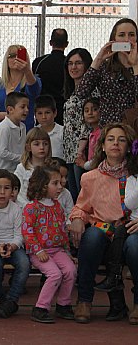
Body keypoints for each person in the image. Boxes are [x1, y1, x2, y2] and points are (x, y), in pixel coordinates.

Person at [69, 123, 138, 323]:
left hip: (130, 230)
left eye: (121, 139)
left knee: (135, 247)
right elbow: (81, 207)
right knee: (91, 238)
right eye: (111, 139)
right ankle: (84, 300)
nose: (115, 143)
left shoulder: (135, 175)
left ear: (129, 146)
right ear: (103, 145)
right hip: (102, 230)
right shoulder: (90, 177)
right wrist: (77, 220)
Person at [22, 165, 76, 323]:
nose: (60, 186)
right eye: (55, 183)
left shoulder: (57, 206)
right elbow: (27, 232)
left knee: (71, 271)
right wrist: (38, 250)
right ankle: (40, 308)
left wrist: (67, 252)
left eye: (60, 183)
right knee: (55, 274)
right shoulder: (31, 208)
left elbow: (62, 231)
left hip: (57, 250)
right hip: (39, 251)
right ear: (42, 185)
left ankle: (63, 304)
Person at [76, 18, 138, 126]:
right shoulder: (104, 67)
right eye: (122, 35)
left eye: (131, 35)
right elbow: (81, 92)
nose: (127, 39)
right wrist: (98, 60)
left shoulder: (136, 67)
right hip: (108, 130)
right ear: (114, 38)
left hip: (133, 129)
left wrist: (135, 65)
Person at [0, 169, 29, 319]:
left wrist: (12, 246)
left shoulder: (17, 210)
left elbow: (20, 234)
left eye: (7, 188)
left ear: (12, 190)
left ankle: (11, 299)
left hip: (13, 246)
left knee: (24, 263)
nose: (2, 192)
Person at [0, 44, 41, 132]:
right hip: (0, 134)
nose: (16, 58)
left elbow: (34, 90)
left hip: (24, 134)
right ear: (6, 60)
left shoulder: (32, 80)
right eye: (12, 56)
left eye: (20, 55)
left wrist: (27, 70)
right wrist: (8, 115)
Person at [61, 48, 95, 201]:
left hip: (82, 153)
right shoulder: (71, 92)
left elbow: (89, 123)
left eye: (78, 63)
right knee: (73, 195)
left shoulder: (92, 92)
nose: (73, 67)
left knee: (83, 196)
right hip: (69, 152)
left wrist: (80, 151)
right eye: (70, 63)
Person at [33, 28, 69, 124]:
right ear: (66, 44)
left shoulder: (39, 62)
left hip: (43, 109)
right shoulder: (69, 63)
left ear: (50, 43)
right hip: (63, 108)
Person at [0, 91, 29, 172]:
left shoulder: (23, 127)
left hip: (16, 169)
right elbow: (2, 152)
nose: (26, 110)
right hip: (1, 170)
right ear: (10, 109)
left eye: (27, 107)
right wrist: (22, 158)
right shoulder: (4, 127)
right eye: (22, 107)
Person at [13, 128, 52, 206]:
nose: (42, 147)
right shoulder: (21, 168)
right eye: (37, 144)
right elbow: (18, 193)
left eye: (45, 144)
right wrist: (30, 207)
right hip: (26, 208)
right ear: (28, 147)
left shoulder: (52, 168)